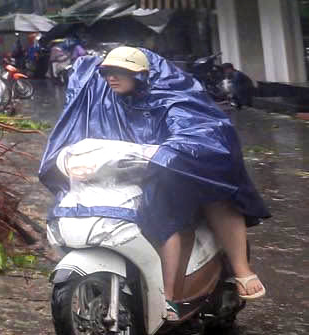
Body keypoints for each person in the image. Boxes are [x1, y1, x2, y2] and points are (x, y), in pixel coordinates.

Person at [40, 46, 269, 316]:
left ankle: (230, 273)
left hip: (174, 171)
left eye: (120, 72)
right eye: (107, 73)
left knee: (209, 199)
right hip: (126, 173)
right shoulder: (101, 102)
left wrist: (174, 152)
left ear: (140, 75)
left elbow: (197, 130)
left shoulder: (170, 99)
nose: (112, 78)